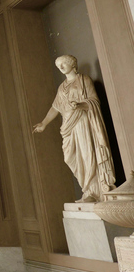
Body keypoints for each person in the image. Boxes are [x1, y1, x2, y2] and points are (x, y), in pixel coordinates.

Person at [33, 54, 116, 202]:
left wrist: (80, 105)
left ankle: (94, 191)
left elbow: (94, 101)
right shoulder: (62, 87)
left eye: (63, 64)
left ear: (72, 64)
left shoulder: (84, 80)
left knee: (87, 154)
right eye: (59, 65)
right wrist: (44, 123)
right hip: (69, 126)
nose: (61, 67)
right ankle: (86, 189)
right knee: (70, 156)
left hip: (83, 123)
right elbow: (55, 107)